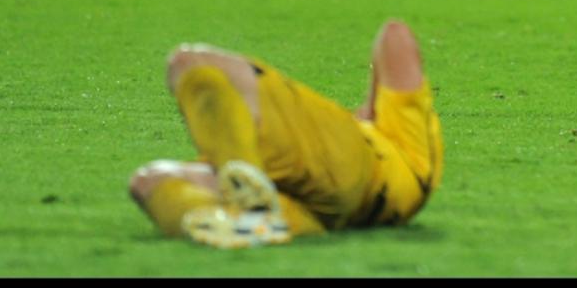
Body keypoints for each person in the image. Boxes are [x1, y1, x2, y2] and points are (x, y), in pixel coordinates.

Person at [128, 19, 443, 247]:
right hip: (325, 207)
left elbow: (396, 34)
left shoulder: (393, 147)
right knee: (148, 181)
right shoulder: (409, 178)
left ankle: (244, 204)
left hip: (347, 162)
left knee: (189, 63)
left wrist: (371, 105)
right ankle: (258, 220)